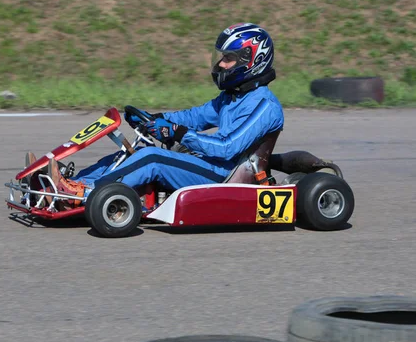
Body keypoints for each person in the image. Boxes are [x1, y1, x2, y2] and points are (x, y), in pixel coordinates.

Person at [26, 22, 285, 209]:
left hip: (227, 175)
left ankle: (83, 193)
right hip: (210, 165)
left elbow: (227, 147)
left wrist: (177, 133)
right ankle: (71, 184)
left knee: (152, 158)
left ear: (251, 60)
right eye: (221, 58)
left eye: (228, 58)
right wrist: (156, 120)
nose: (221, 64)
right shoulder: (233, 96)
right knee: (133, 151)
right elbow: (194, 117)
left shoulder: (265, 106)